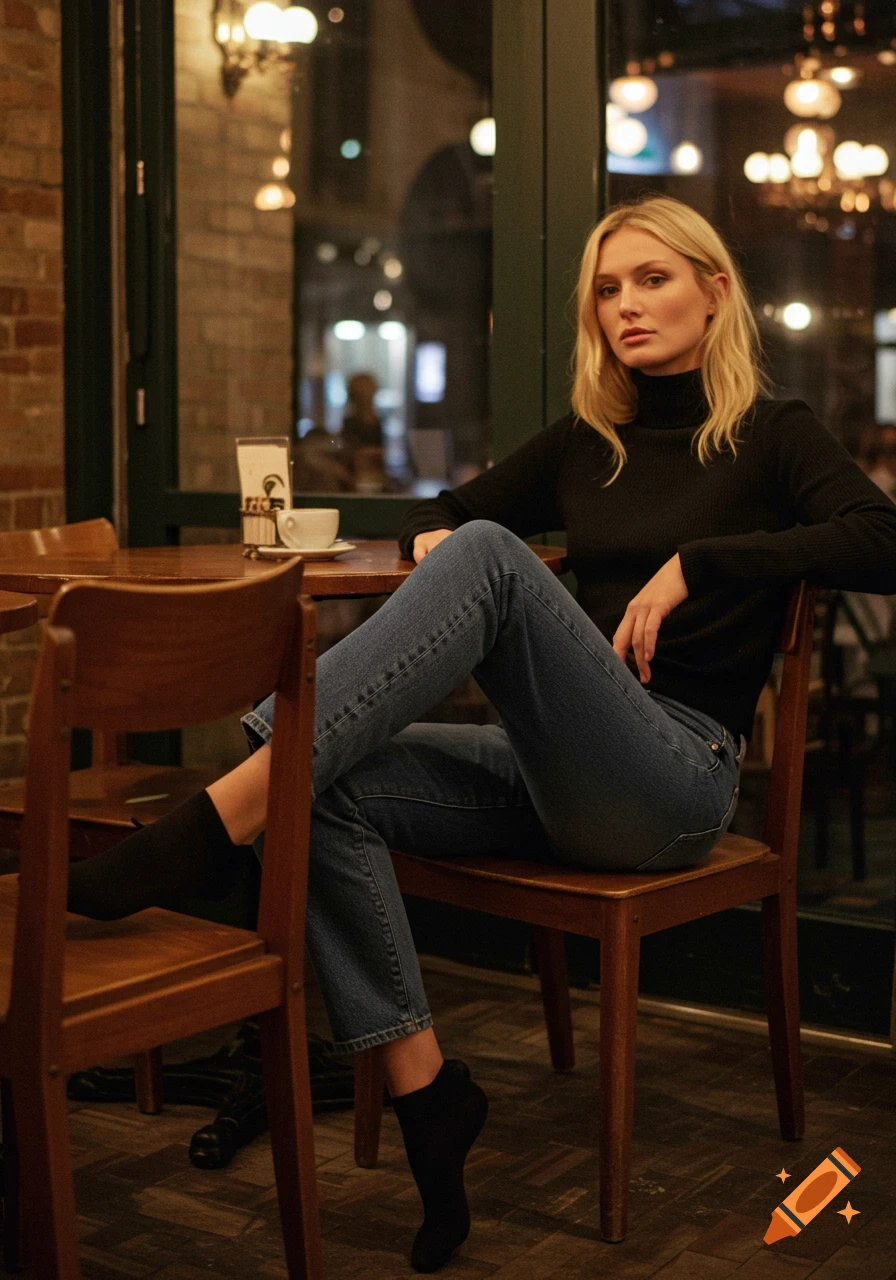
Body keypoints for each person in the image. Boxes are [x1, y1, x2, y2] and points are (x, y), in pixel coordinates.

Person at [66, 196, 896, 1271]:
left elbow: (881, 537)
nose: (624, 306)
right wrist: (430, 537)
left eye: (651, 279)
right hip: (560, 772)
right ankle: (429, 1091)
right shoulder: (585, 442)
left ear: (713, 289)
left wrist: (703, 561)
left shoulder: (769, 434)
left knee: (489, 563)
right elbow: (452, 509)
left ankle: (212, 817)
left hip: (673, 774)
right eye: (606, 289)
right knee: (330, 778)